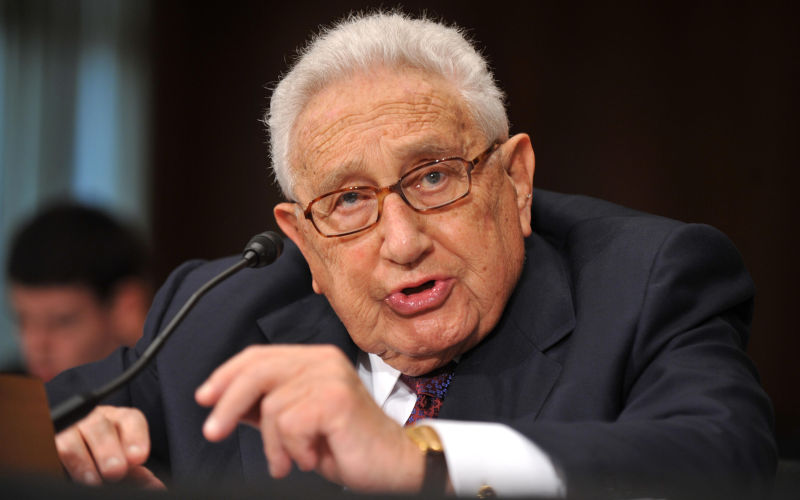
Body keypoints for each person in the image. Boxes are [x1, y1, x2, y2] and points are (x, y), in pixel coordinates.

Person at [45, 12, 776, 498]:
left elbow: (725, 459)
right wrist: (76, 453)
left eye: (433, 177)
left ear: (515, 181)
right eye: (349, 201)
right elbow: (39, 423)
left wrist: (420, 459)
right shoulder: (216, 313)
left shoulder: (646, 282)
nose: (401, 241)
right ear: (301, 239)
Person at [6, 202, 152, 382]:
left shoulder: (171, 401)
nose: (37, 345)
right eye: (23, 320)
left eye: (62, 321)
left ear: (126, 307)